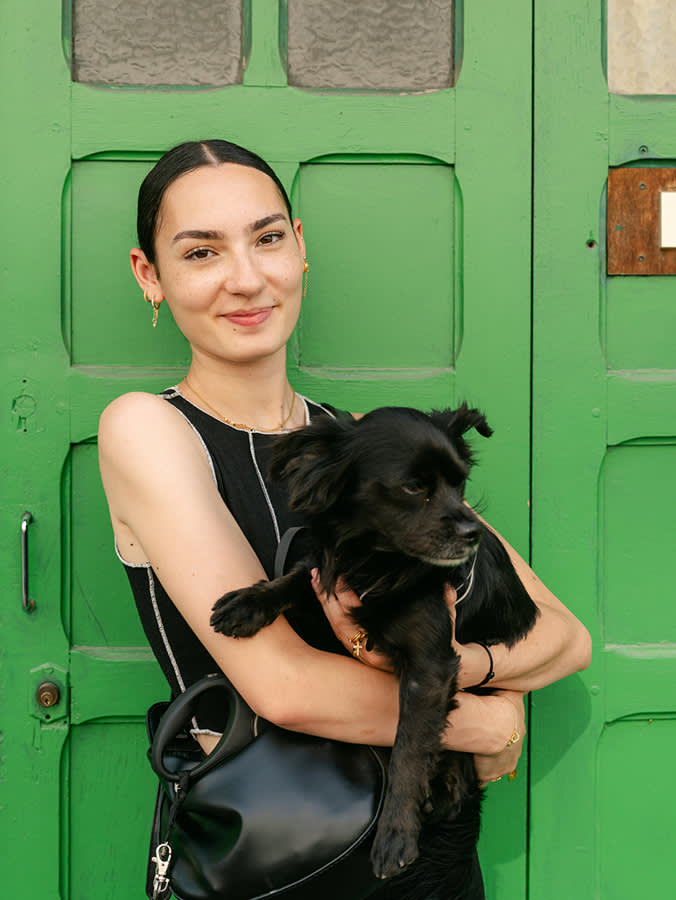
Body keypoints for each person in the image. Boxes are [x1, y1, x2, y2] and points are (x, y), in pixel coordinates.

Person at [98, 139, 591, 899]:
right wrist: (474, 724)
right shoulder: (149, 430)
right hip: (270, 847)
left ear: (300, 249)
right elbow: (284, 687)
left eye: (267, 238)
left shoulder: (373, 444)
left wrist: (479, 673)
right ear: (149, 276)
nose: (246, 277)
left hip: (428, 854)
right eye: (201, 252)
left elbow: (564, 637)